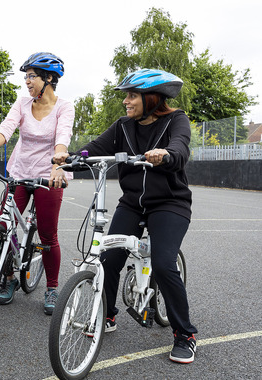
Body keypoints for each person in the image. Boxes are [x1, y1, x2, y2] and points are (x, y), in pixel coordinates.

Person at [53, 68, 198, 363]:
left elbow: (180, 148)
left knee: (162, 263)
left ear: (151, 98)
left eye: (132, 96)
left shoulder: (176, 120)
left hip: (170, 203)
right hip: (133, 203)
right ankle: (107, 315)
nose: (126, 102)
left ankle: (185, 334)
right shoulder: (123, 126)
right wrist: (71, 159)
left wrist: (166, 154)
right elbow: (94, 148)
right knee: (107, 259)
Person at [0, 52, 73, 315]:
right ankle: (10, 277)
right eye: (25, 77)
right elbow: (6, 128)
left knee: (48, 235)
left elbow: (63, 138)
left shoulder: (64, 107)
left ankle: (51, 287)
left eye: (32, 76)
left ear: (49, 78)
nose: (27, 82)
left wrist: (57, 167)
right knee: (4, 225)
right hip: (20, 172)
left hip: (49, 176)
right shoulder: (23, 103)